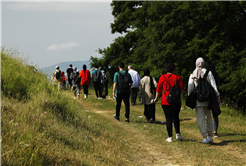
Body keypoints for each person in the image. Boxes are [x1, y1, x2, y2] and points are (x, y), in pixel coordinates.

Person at [188, 57, 220, 143]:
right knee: (208, 116)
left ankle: (204, 137)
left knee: (200, 119)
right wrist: (217, 95)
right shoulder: (208, 72)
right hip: (208, 99)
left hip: (198, 100)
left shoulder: (193, 74)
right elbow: (213, 85)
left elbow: (190, 87)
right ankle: (210, 135)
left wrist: (191, 98)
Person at [154, 63, 184, 142]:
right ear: (174, 70)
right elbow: (181, 89)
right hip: (176, 101)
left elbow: (158, 90)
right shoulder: (178, 77)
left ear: (166, 69)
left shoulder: (162, 77)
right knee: (176, 117)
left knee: (168, 118)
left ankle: (170, 137)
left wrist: (156, 98)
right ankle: (178, 134)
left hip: (165, 100)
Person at [206, 62, 220, 138]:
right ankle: (215, 131)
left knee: (207, 114)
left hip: (207, 96)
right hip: (214, 95)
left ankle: (208, 131)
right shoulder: (216, 75)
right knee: (215, 114)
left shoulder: (205, 74)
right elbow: (217, 86)